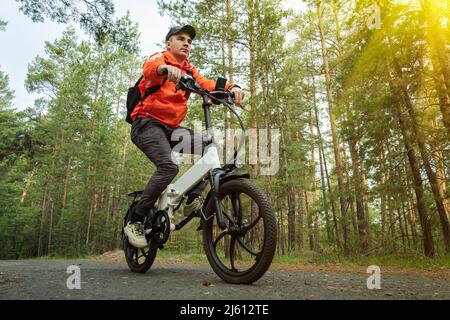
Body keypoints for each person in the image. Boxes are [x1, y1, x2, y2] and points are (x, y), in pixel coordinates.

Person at [124, 25, 245, 248]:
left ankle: (193, 197)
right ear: (168, 43)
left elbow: (207, 84)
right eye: (181, 39)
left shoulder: (190, 71)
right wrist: (163, 70)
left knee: (211, 146)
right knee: (169, 167)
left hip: (171, 129)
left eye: (189, 40)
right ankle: (136, 219)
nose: (186, 43)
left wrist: (233, 87)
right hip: (146, 124)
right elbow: (150, 68)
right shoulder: (159, 59)